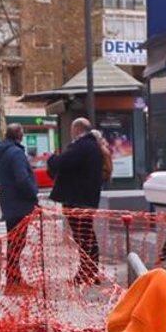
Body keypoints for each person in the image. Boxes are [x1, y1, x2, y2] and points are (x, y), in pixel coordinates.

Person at [47, 117, 108, 283]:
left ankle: (87, 272)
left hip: (77, 199)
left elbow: (61, 163)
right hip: (87, 198)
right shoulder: (92, 146)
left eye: (72, 129)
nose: (71, 133)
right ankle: (90, 271)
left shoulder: (82, 146)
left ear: (77, 129)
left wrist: (52, 158)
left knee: (83, 237)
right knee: (86, 235)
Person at [0, 124, 38, 291]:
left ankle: (13, 278)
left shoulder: (0, 153)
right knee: (18, 244)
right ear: (19, 135)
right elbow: (22, 178)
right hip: (20, 204)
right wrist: (33, 194)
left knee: (14, 243)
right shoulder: (16, 153)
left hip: (8, 203)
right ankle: (14, 281)